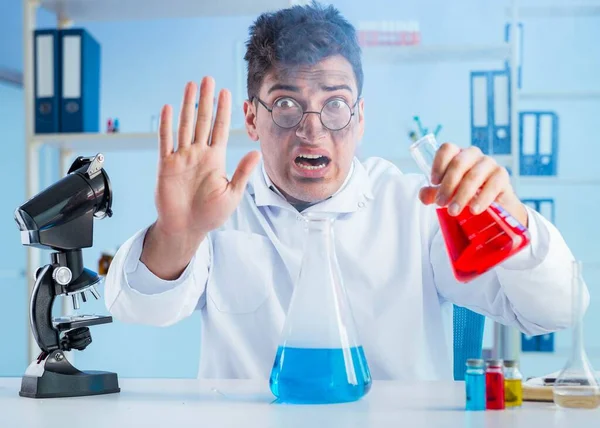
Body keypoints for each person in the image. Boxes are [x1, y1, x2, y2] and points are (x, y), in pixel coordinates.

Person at [105, 2, 585, 380]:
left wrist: (512, 218)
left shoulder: (414, 207)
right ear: (251, 118)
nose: (312, 131)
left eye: (335, 104)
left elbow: (555, 310)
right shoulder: (216, 209)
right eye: (286, 104)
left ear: (360, 115)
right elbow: (138, 307)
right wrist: (178, 231)